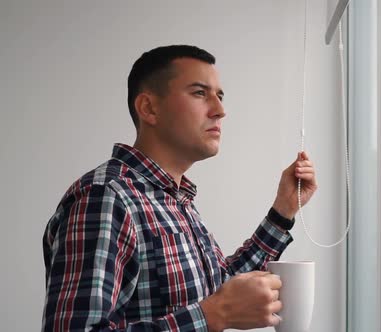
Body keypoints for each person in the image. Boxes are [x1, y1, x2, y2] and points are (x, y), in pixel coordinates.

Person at [41, 45, 318, 332]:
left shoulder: (174, 200)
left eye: (220, 96)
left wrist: (284, 208)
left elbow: (219, 292)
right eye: (200, 93)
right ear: (149, 108)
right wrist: (212, 317)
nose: (220, 111)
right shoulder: (106, 198)